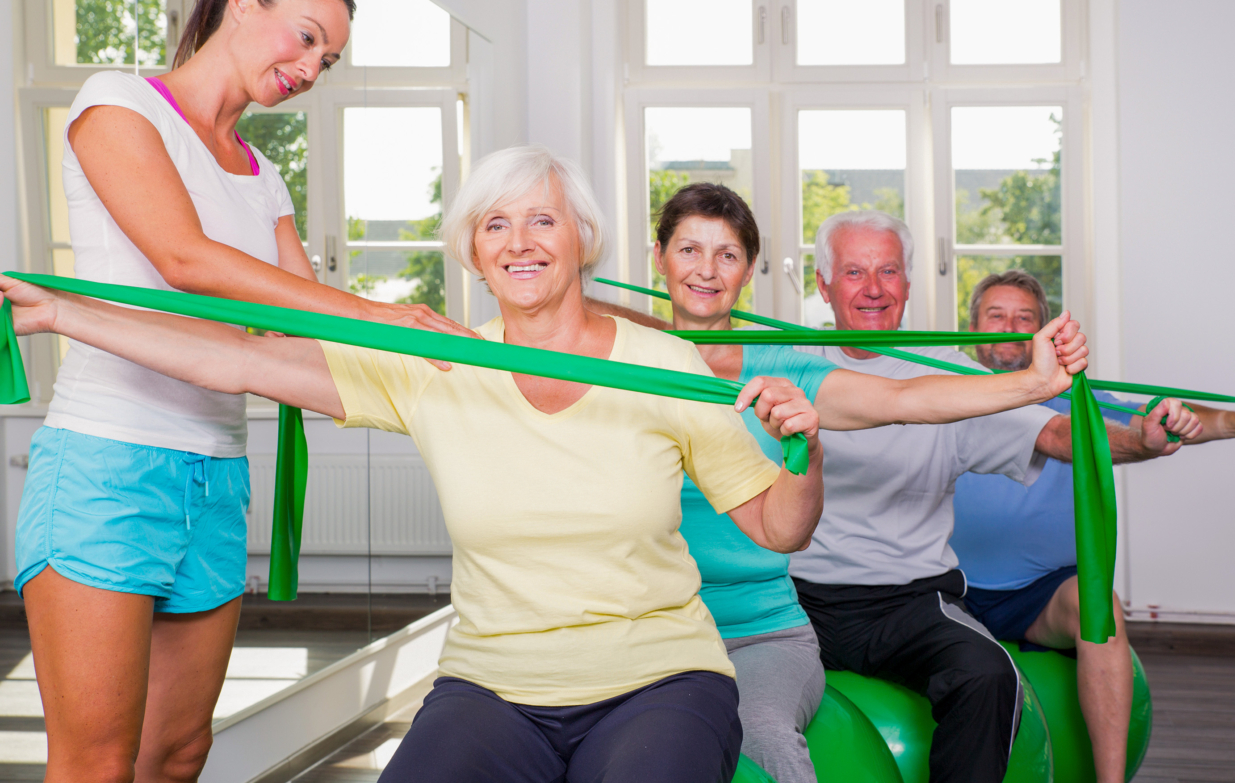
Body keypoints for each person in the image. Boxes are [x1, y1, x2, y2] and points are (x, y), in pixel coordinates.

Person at [2, 145, 828, 783]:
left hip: (659, 679)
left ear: (583, 238)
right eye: (494, 225)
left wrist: (806, 454)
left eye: (542, 219)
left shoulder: (665, 365)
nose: (520, 242)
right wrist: (68, 312)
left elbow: (779, 526)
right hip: (495, 687)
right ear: (474, 252)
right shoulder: (430, 364)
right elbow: (237, 362)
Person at [16, 1, 484, 780]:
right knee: (97, 760)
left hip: (216, 477)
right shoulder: (118, 103)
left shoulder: (262, 177)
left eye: (327, 61)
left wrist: (458, 361)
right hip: (106, 465)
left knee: (177, 753)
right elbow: (183, 259)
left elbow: (304, 334)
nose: (309, 69)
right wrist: (378, 311)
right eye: (306, 38)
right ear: (241, 6)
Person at [590, 183, 1090, 783]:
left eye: (726, 254)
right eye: (689, 250)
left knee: (763, 739)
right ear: (659, 258)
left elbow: (902, 397)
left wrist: (1032, 384)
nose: (706, 269)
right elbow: (559, 326)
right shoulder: (618, 358)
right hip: (651, 616)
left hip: (762, 623)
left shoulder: (785, 367)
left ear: (749, 269)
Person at [785, 211, 1202, 783]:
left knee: (990, 676)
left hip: (906, 602)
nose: (874, 289)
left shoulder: (950, 374)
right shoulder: (785, 366)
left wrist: (1139, 441)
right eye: (854, 272)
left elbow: (1054, 433)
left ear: (908, 283)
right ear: (824, 284)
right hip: (796, 599)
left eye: (888, 271)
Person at [952, 270, 1235, 783]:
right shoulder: (945, 394)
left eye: (1024, 318)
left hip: (1038, 594)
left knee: (1100, 607)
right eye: (995, 315)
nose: (1009, 327)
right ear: (972, 327)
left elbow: (1149, 424)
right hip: (949, 589)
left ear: (1043, 332)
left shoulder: (1078, 397)